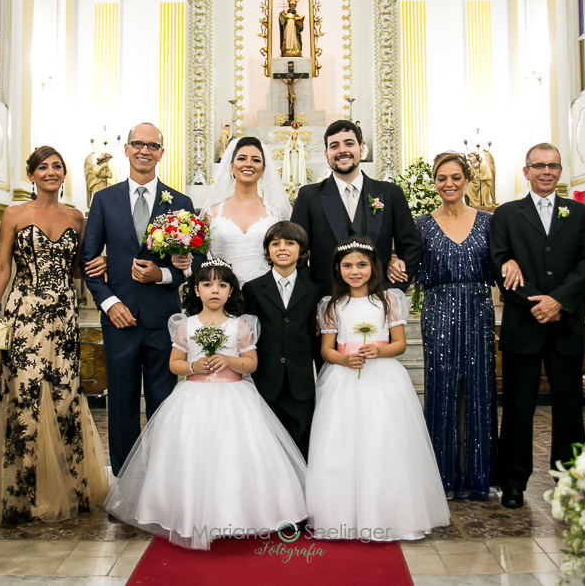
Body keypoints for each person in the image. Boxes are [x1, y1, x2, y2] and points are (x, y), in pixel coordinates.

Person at [103, 259, 307, 550]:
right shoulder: (185, 325)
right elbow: (175, 364)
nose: (215, 290)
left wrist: (229, 360)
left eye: (222, 285)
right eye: (207, 284)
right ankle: (187, 512)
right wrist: (194, 366)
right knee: (191, 455)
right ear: (196, 290)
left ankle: (238, 513)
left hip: (234, 397)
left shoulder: (240, 326)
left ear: (231, 291)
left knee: (234, 456)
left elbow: (251, 362)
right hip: (194, 398)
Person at [0, 146, 109, 524]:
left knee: (65, 395)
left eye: (56, 167)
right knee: (24, 393)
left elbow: (81, 269)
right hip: (24, 315)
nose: (50, 172)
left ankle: (67, 488)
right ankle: (23, 492)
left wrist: (104, 261)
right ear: (31, 175)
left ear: (64, 174)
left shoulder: (76, 217)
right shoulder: (14, 214)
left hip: (62, 316)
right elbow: (2, 266)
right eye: (42, 167)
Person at [79, 123, 205, 474]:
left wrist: (162, 274)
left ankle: (160, 480)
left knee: (163, 403)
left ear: (161, 153)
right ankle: (123, 482)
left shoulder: (179, 202)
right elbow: (89, 261)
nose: (144, 150)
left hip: (162, 316)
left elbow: (195, 261)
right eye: (137, 144)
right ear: (126, 149)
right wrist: (110, 303)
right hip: (119, 318)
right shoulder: (104, 200)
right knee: (120, 405)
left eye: (152, 145)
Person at [306, 237, 449, 541]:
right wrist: (345, 359)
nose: (355, 271)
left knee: (384, 441)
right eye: (347, 266)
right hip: (343, 380)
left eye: (361, 264)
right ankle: (342, 514)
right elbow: (326, 350)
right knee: (343, 444)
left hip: (383, 379)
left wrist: (377, 351)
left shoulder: (388, 301)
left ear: (374, 267)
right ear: (337, 269)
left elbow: (398, 343)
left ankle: (389, 512)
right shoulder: (331, 305)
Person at [488, 142, 585, 509]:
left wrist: (559, 302)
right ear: (526, 172)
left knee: (569, 407)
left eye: (552, 166)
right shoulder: (506, 214)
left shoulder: (579, 213)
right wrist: (537, 302)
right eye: (539, 166)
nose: (546, 172)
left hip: (565, 325)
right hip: (525, 324)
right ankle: (514, 482)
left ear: (560, 171)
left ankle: (571, 479)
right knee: (519, 407)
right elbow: (499, 263)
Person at [417, 152, 523, 500]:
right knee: (442, 391)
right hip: (438, 311)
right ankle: (441, 477)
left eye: (455, 177)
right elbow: (408, 268)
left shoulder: (489, 222)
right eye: (441, 178)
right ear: (434, 182)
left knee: (480, 390)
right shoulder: (420, 225)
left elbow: (503, 261)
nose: (448, 184)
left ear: (467, 180)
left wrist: (511, 263)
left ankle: (480, 476)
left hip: (479, 310)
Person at [291, 120, 421, 298]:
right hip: (326, 301)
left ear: (361, 149)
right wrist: (312, 296)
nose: (342, 150)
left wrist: (392, 289)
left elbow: (410, 246)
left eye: (349, 143)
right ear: (326, 153)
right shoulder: (309, 197)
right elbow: (296, 252)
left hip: (379, 299)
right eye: (334, 146)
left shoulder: (390, 194)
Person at [242, 221, 321, 458]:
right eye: (275, 243)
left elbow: (315, 337)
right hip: (266, 380)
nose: (282, 248)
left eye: (290, 243)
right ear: (266, 251)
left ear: (302, 249)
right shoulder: (253, 289)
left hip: (301, 382)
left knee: (301, 444)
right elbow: (249, 336)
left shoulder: (315, 290)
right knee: (269, 448)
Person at [195, 136, 292, 285]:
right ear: (232, 165)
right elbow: (197, 257)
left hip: (267, 295)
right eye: (242, 158)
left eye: (256, 160)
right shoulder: (212, 212)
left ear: (264, 168)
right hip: (222, 294)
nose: (248, 164)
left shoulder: (277, 214)